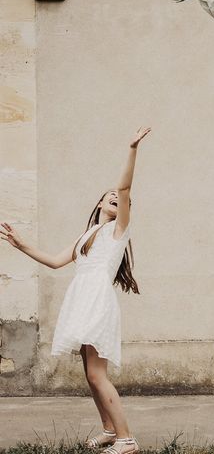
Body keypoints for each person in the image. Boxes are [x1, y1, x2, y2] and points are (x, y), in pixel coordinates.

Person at [0, 127, 151, 454]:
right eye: (109, 195)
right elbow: (55, 261)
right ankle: (110, 429)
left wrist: (132, 149)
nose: (116, 196)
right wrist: (21, 244)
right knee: (89, 372)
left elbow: (125, 186)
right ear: (98, 202)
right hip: (81, 300)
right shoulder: (88, 235)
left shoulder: (117, 231)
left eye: (120, 198)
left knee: (98, 375)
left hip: (97, 302)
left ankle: (127, 439)